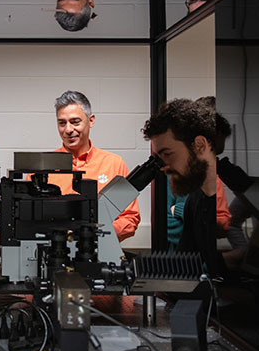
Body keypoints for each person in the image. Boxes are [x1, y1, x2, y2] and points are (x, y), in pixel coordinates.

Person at [142, 98, 242, 277]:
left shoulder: (208, 192)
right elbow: (185, 264)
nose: (164, 166)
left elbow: (224, 226)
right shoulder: (194, 200)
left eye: (168, 154)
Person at [43, 90, 140, 242]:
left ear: (91, 120)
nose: (68, 130)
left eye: (75, 122)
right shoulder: (43, 167)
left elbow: (129, 217)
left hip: (101, 253)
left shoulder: (113, 164)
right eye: (62, 123)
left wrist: (94, 235)